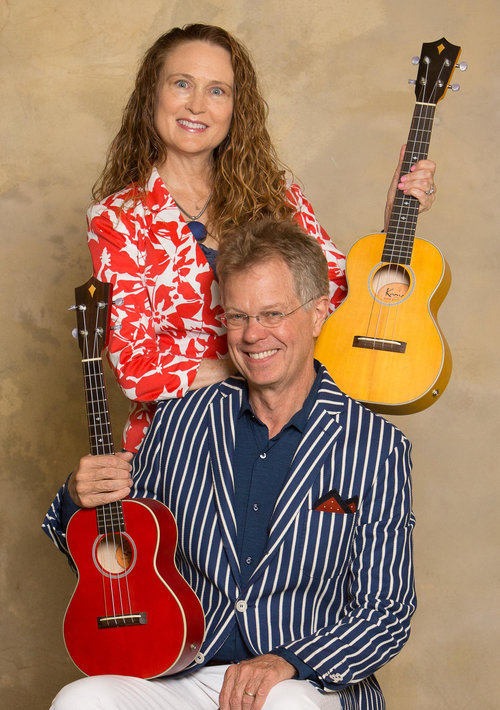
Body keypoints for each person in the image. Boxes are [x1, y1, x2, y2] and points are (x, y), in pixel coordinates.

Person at [44, 219, 415, 710]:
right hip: (185, 668)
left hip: (304, 678)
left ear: (319, 313)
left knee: (285, 705)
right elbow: (114, 552)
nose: (252, 335)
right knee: (83, 699)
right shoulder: (181, 418)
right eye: (237, 316)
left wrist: (288, 662)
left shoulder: (376, 446)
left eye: (272, 313)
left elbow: (386, 610)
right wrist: (77, 497)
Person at [87, 23, 436, 452]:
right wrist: (256, 363)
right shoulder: (118, 219)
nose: (197, 105)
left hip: (291, 432)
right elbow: (138, 371)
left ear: (237, 107)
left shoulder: (278, 197)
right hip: (181, 441)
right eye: (182, 84)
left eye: (218, 91)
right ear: (151, 94)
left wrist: (393, 224)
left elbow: (343, 307)